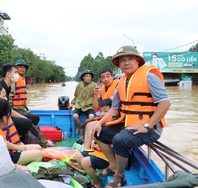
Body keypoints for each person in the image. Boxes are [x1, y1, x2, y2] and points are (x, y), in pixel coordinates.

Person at [91, 45, 171, 188]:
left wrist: (147, 125)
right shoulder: (122, 81)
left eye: (130, 59)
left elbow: (165, 103)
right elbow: (115, 108)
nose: (126, 63)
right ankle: (113, 165)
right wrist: (100, 122)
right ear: (119, 65)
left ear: (138, 61)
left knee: (120, 139)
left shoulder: (149, 77)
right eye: (122, 60)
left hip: (150, 128)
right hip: (129, 123)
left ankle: (119, 176)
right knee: (98, 131)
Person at [0, 85, 42, 165]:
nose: (6, 99)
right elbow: (0, 142)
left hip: (12, 149)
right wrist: (17, 147)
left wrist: (18, 145)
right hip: (8, 155)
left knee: (38, 148)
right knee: (39, 154)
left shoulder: (1, 112)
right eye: (4, 96)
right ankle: (24, 171)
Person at [0, 63, 53, 148]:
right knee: (27, 122)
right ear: (8, 74)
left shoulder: (9, 87)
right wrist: (22, 117)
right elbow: (5, 108)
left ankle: (40, 142)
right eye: (15, 72)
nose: (17, 74)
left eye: (24, 68)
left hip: (12, 111)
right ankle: (17, 143)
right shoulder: (0, 89)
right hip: (4, 116)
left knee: (34, 118)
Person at [76, 99, 112, 188]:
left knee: (85, 162)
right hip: (100, 153)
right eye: (101, 111)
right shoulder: (103, 124)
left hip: (110, 158)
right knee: (79, 156)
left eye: (106, 111)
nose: (102, 114)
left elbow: (115, 147)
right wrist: (93, 142)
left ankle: (98, 184)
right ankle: (95, 179)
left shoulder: (114, 127)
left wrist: (100, 145)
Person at [70, 70, 96, 139]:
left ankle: (80, 125)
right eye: (86, 76)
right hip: (79, 104)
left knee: (91, 117)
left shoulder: (94, 85)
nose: (88, 78)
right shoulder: (79, 85)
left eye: (89, 76)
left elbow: (97, 96)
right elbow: (76, 96)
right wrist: (72, 104)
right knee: (75, 116)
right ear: (83, 77)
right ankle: (81, 129)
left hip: (89, 105)